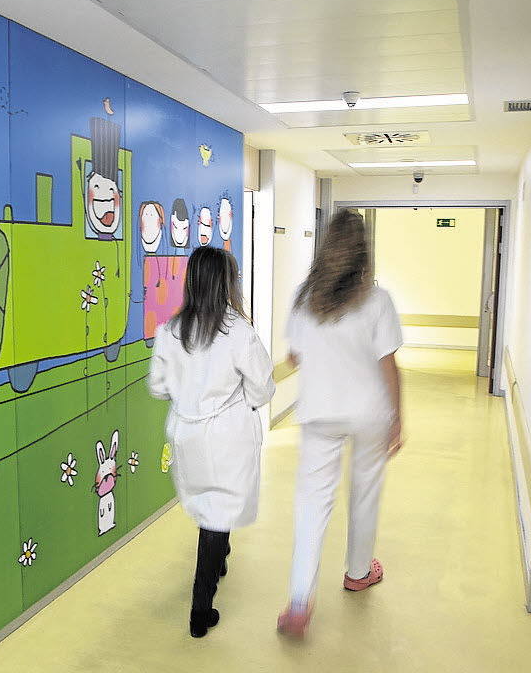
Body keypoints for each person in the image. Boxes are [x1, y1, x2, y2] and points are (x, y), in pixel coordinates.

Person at [277, 208, 404, 638]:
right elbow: (388, 364)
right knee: (365, 494)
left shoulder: (304, 298)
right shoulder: (378, 299)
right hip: (369, 412)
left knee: (312, 503)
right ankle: (358, 572)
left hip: (320, 411)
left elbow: (294, 357)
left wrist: (320, 352)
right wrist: (397, 418)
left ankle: (299, 600)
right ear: (363, 251)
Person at [148, 246, 275, 638]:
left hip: (186, 435)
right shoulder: (239, 333)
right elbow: (262, 388)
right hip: (227, 437)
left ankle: (220, 558)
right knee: (217, 516)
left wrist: (187, 394)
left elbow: (158, 387)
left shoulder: (169, 331)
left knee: (211, 508)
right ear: (226, 283)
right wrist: (242, 401)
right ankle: (200, 611)